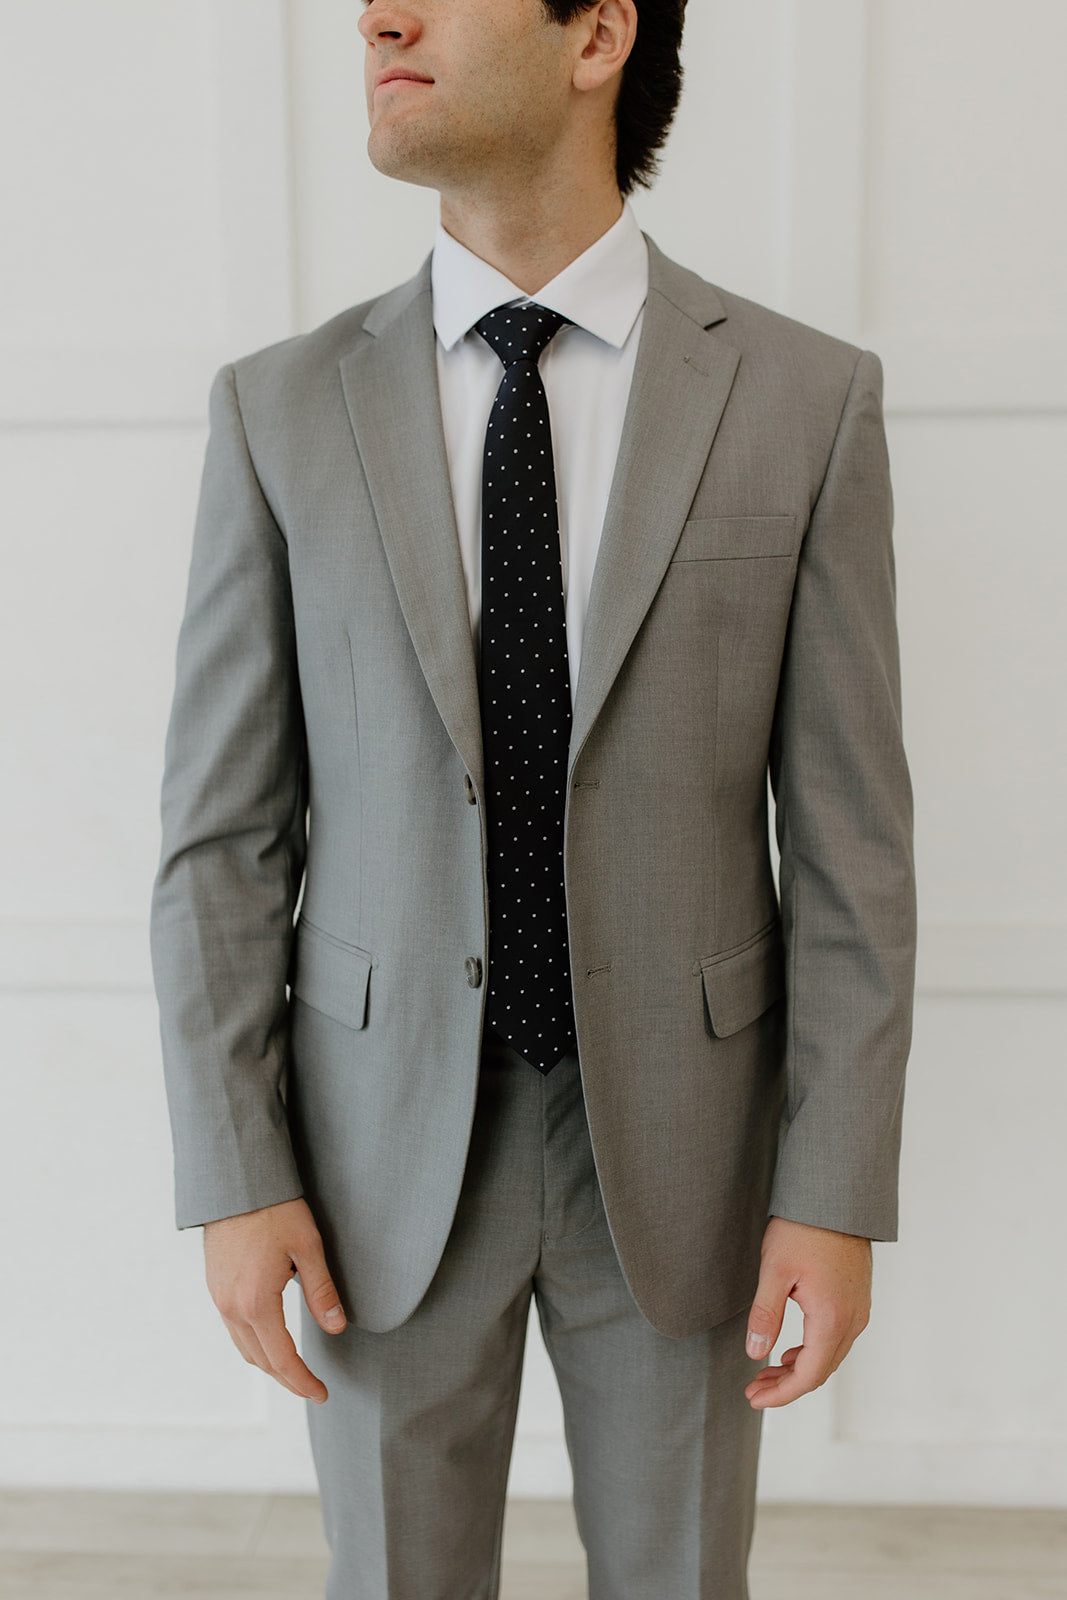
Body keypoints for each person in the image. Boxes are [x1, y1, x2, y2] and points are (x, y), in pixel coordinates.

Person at [150, 1, 917, 1595]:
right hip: (374, 1157)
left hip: (686, 1158)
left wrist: (834, 1191)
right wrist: (236, 1170)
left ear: (598, 36)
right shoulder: (279, 411)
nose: (381, 13)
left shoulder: (804, 400)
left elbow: (851, 853)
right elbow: (222, 840)